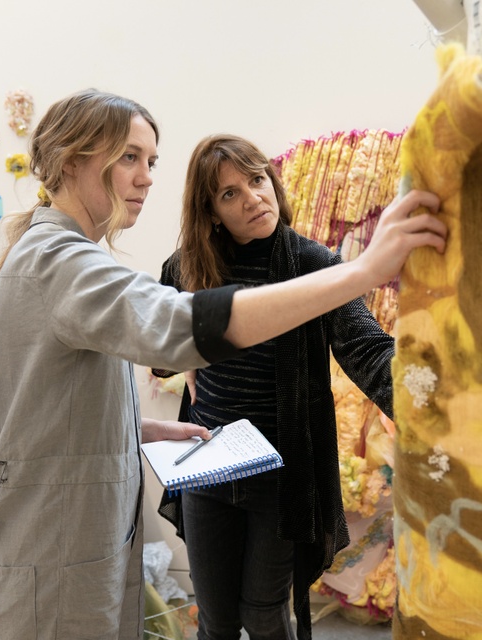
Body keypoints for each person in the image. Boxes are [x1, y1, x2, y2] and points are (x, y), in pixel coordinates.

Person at [0, 90, 446, 640]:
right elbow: (176, 327)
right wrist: (363, 271)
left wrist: (130, 426)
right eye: (128, 158)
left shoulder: (67, 255)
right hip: (58, 553)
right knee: (215, 618)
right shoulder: (65, 261)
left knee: (264, 612)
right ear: (73, 161)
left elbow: (53, 395)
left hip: (251, 481)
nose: (145, 178)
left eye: (151, 162)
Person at [155, 134, 401, 640]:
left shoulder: (313, 264)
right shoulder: (186, 268)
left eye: (256, 179)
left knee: (264, 614)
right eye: (229, 194)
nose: (252, 198)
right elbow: (159, 355)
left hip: (281, 474)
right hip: (209, 462)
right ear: (210, 211)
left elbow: (369, 351)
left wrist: (435, 396)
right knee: (217, 619)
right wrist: (180, 354)